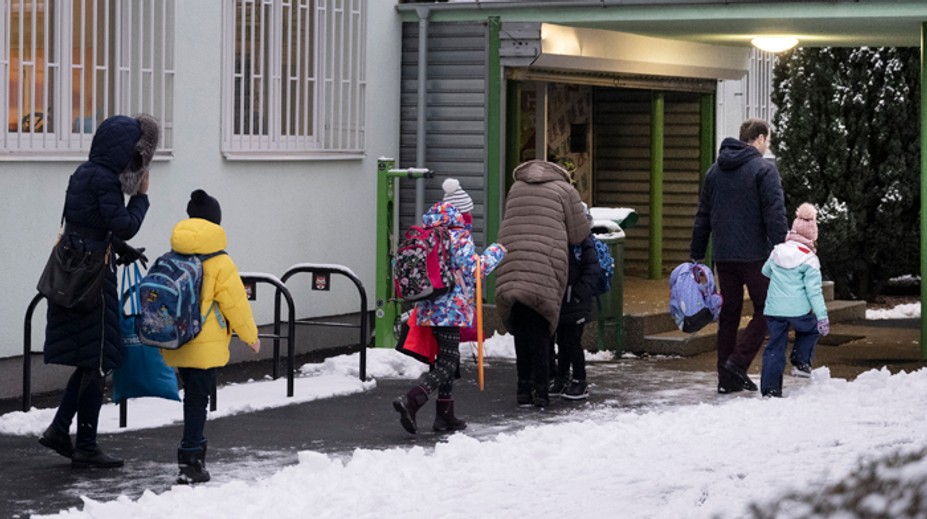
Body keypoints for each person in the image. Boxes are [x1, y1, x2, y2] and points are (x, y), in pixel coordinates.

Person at [39, 114, 159, 469]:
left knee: (91, 359)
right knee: (99, 358)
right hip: (92, 282)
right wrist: (141, 197)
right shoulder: (106, 181)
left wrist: (117, 246)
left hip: (74, 273)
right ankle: (85, 443)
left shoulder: (83, 173)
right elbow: (123, 223)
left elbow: (88, 222)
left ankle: (62, 431)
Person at [160, 189, 262, 483]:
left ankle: (194, 454)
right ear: (216, 224)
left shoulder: (174, 254)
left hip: (177, 339)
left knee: (192, 396)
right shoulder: (219, 262)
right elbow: (236, 305)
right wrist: (251, 337)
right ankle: (191, 459)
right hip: (205, 345)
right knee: (197, 400)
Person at [393, 179, 505, 434]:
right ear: (463, 213)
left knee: (444, 361)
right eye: (469, 213)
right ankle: (412, 399)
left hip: (428, 305)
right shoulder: (458, 235)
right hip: (450, 309)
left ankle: (445, 416)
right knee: (448, 362)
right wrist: (496, 251)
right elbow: (476, 270)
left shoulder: (429, 231)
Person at [690, 118, 788, 395]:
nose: (767, 145)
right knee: (771, 308)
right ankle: (737, 362)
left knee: (729, 314)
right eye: (767, 139)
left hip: (724, 256)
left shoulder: (714, 171)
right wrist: (783, 248)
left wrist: (697, 253)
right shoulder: (763, 170)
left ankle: (726, 378)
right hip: (756, 255)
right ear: (758, 138)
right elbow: (774, 213)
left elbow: (703, 216)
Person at [494, 160, 590, 407]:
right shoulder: (565, 190)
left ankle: (522, 389)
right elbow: (579, 234)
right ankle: (541, 390)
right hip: (543, 267)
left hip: (512, 262)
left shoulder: (516, 188)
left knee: (521, 329)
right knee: (539, 331)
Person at [760, 203, 829, 397]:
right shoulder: (810, 260)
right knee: (811, 329)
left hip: (774, 310)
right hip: (799, 311)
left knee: (774, 346)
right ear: (812, 236)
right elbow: (814, 292)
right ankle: (800, 361)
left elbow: (765, 271)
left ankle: (770, 390)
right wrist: (822, 316)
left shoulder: (777, 251)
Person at [549, 204, 601, 401]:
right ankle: (562, 378)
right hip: (565, 300)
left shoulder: (583, 242)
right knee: (562, 340)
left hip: (576, 301)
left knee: (572, 342)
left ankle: (580, 380)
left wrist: (577, 293)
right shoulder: (566, 240)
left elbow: (592, 270)